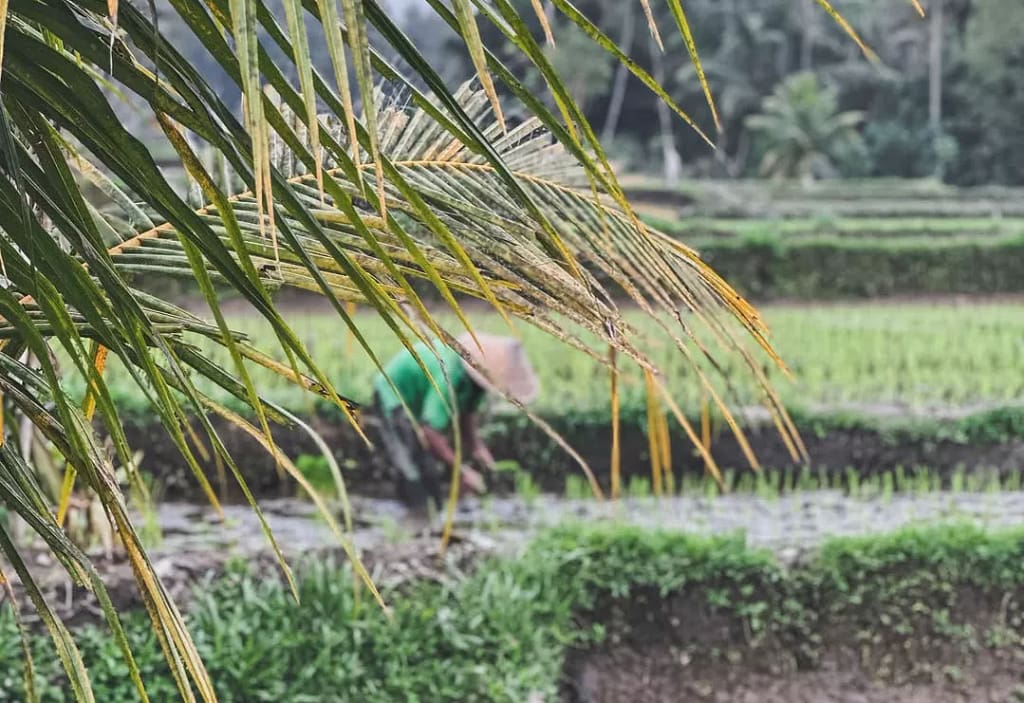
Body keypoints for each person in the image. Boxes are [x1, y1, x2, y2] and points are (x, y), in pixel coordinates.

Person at [371, 332, 539, 512]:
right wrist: (461, 470)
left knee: (428, 469)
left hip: (418, 405)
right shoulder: (449, 373)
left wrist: (478, 449)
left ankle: (428, 516)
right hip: (393, 397)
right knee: (412, 465)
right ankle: (414, 518)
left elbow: (466, 415)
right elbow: (429, 431)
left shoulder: (477, 384)